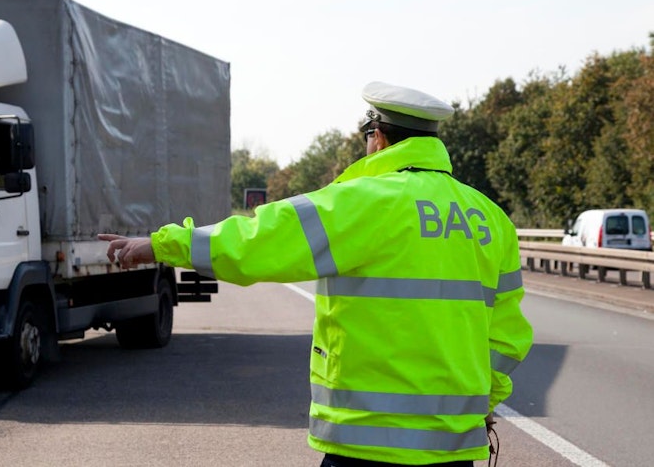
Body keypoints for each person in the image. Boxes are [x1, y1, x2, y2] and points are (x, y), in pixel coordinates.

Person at [100, 81, 534, 466]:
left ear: (378, 138)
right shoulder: (491, 219)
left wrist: (162, 245)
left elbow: (259, 240)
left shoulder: (361, 201)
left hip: (366, 448)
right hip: (453, 452)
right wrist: (484, 400)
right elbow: (508, 339)